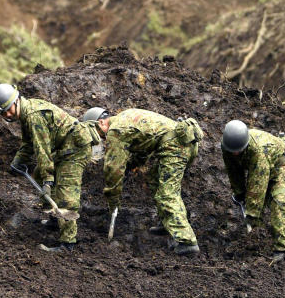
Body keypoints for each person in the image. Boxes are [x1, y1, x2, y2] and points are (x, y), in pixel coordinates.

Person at [0, 84, 98, 252]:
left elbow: (43, 150)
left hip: (76, 149)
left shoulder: (33, 116)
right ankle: (56, 219)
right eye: (3, 112)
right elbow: (28, 143)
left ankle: (67, 243)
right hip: (64, 148)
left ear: (16, 100)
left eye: (9, 109)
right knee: (38, 175)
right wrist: (18, 161)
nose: (8, 114)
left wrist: (49, 181)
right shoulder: (26, 113)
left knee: (66, 194)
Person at [82, 107, 203, 255]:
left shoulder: (115, 131)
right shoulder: (125, 117)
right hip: (181, 143)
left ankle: (187, 241)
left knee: (167, 193)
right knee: (154, 179)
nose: (101, 139)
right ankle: (169, 223)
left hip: (177, 147)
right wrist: (129, 166)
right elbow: (143, 149)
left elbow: (113, 171)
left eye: (98, 134)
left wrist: (113, 201)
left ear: (101, 123)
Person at [220, 120, 285, 261]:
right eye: (232, 151)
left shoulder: (258, 151)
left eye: (238, 150)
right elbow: (233, 169)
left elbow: (257, 186)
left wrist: (251, 214)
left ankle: (281, 249)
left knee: (279, 201)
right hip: (258, 165)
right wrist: (239, 192)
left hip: (279, 164)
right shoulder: (227, 145)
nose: (235, 153)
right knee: (251, 201)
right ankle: (258, 244)